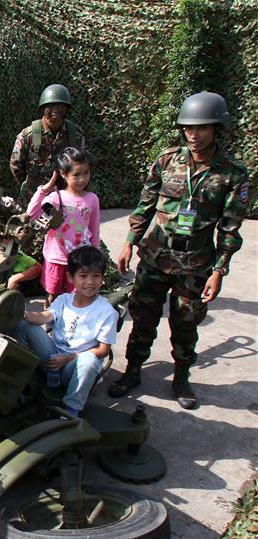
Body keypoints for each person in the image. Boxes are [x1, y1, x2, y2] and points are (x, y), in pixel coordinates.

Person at [108, 91, 250, 409]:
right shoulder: (166, 160)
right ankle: (132, 371)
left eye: (201, 128)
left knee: (185, 325)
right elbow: (145, 205)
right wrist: (129, 243)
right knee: (143, 318)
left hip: (195, 264)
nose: (193, 135)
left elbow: (230, 228)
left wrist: (219, 271)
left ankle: (182, 378)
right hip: (155, 257)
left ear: (217, 129)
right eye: (188, 128)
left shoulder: (232, 175)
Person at [14, 245, 117, 416]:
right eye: (83, 276)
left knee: (90, 360)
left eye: (96, 276)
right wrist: (22, 314)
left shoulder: (107, 312)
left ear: (102, 279)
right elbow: (45, 316)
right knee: (24, 325)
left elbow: (103, 350)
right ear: (70, 277)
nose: (90, 282)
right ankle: (20, 376)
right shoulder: (64, 299)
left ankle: (71, 411)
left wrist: (68, 358)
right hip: (52, 359)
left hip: (73, 367)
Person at [26, 147, 101, 308]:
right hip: (56, 259)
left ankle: (70, 329)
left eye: (86, 173)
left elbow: (94, 231)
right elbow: (31, 214)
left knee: (77, 298)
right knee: (53, 297)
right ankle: (51, 327)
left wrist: (96, 258)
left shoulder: (92, 199)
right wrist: (43, 190)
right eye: (76, 174)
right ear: (63, 174)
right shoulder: (55, 198)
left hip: (81, 260)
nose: (82, 179)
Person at [10, 84, 86, 203]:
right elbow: (16, 165)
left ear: (66, 109)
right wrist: (29, 187)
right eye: (51, 106)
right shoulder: (29, 135)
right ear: (44, 108)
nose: (55, 111)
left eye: (60, 106)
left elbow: (81, 164)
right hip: (34, 198)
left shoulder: (74, 134)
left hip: (66, 198)